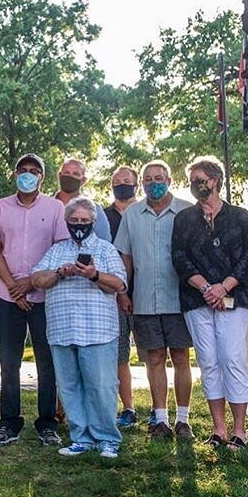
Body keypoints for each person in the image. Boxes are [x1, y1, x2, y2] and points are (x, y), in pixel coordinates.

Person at [171, 156, 248, 450]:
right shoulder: (184, 218)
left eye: (201, 180)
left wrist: (224, 287)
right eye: (193, 181)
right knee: (208, 363)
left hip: (235, 296)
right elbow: (180, 259)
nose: (197, 185)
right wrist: (208, 288)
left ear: (216, 181)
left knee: (232, 359)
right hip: (197, 299)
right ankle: (218, 429)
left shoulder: (240, 216)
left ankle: (239, 431)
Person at [32, 197, 127, 458]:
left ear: (94, 222)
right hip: (63, 330)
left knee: (101, 386)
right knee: (70, 387)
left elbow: (119, 284)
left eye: (85, 221)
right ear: (66, 223)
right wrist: (59, 273)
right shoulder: (56, 251)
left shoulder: (106, 250)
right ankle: (81, 438)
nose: (79, 225)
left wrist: (93, 274)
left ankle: (107, 439)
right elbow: (37, 278)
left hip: (97, 330)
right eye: (74, 221)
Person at [0, 153, 69, 447]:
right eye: (23, 170)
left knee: (47, 362)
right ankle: (9, 424)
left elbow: (60, 252)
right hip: (6, 296)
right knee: (9, 363)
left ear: (42, 177)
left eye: (34, 171)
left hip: (45, 295)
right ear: (15, 174)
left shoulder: (56, 208)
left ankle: (47, 424)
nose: (28, 174)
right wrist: (13, 288)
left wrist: (30, 283)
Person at [114, 160, 195, 440]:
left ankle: (183, 420)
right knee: (155, 357)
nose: (152, 182)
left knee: (181, 356)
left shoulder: (187, 210)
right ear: (142, 184)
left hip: (181, 298)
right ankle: (160, 419)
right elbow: (125, 256)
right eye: (147, 179)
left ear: (170, 180)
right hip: (144, 299)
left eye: (158, 177)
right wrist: (122, 291)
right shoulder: (132, 215)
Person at [105, 165, 139, 428]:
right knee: (120, 356)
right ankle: (128, 408)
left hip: (148, 293)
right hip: (115, 295)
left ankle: (158, 411)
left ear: (136, 184)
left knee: (155, 356)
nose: (122, 184)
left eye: (127, 181)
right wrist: (118, 291)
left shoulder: (146, 213)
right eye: (118, 181)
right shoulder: (102, 217)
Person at [55, 158, 111, 241]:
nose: (70, 177)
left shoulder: (96, 210)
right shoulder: (46, 207)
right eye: (66, 173)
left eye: (76, 174)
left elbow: (105, 243)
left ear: (83, 180)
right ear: (59, 176)